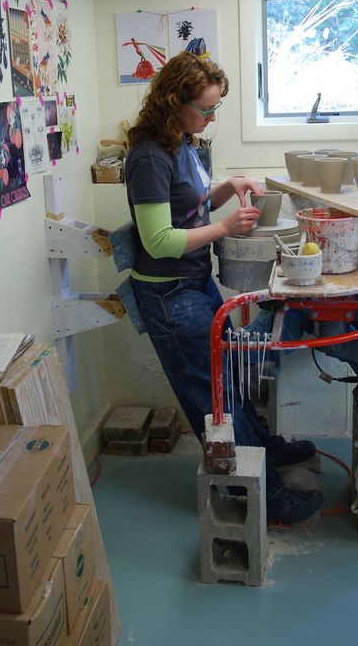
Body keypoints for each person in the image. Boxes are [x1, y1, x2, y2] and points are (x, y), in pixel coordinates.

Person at [124, 53, 324, 523]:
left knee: (230, 381)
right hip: (169, 294)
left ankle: (266, 452)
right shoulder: (149, 156)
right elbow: (158, 238)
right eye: (206, 109)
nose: (211, 119)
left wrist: (225, 188)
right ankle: (266, 497)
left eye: (217, 109)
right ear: (175, 102)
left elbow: (186, 208)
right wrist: (227, 227)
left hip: (193, 282)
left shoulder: (182, 142)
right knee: (212, 398)